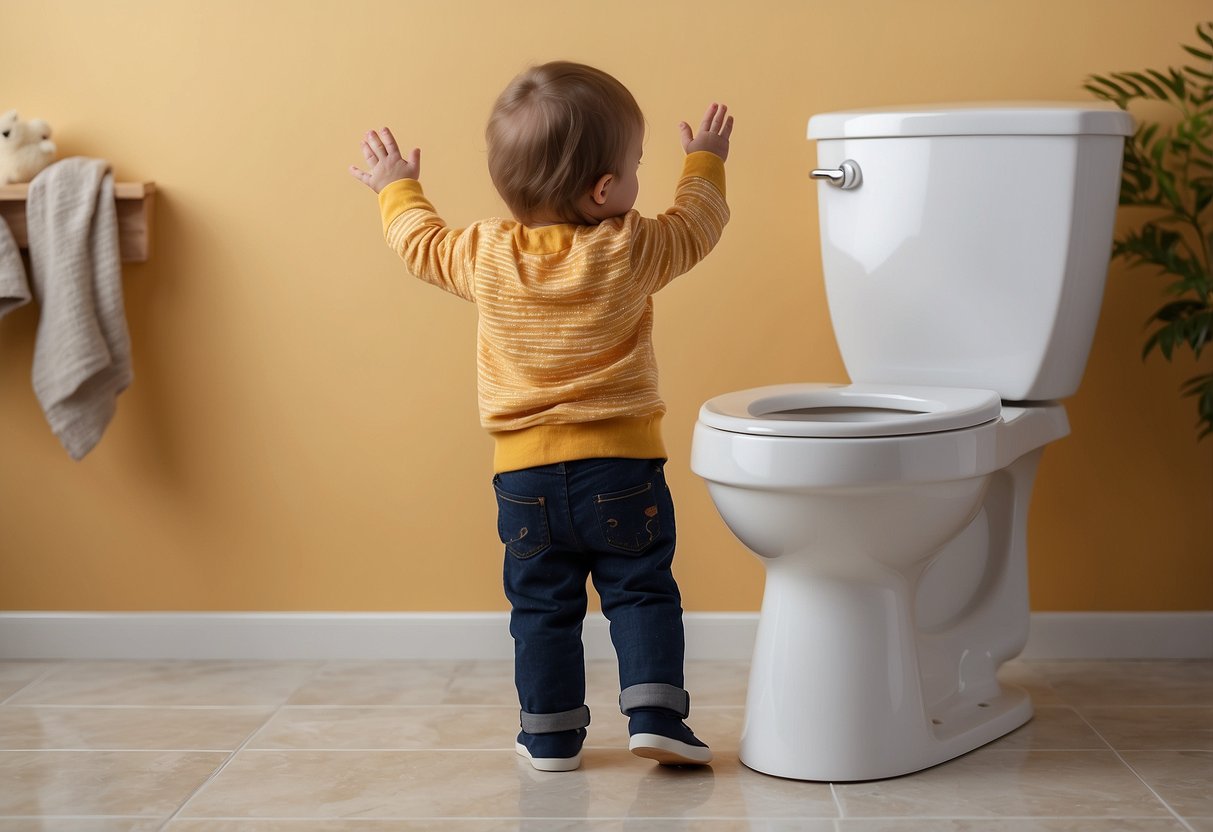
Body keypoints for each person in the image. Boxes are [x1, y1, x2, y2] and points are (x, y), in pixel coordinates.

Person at [349, 61, 732, 772]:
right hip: (621, 467)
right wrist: (704, 161)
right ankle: (654, 715)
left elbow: (418, 242)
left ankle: (550, 736)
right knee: (640, 590)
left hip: (523, 478)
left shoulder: (484, 254)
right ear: (604, 189)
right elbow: (697, 223)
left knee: (542, 609)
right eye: (635, 165)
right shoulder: (631, 247)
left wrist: (394, 183)